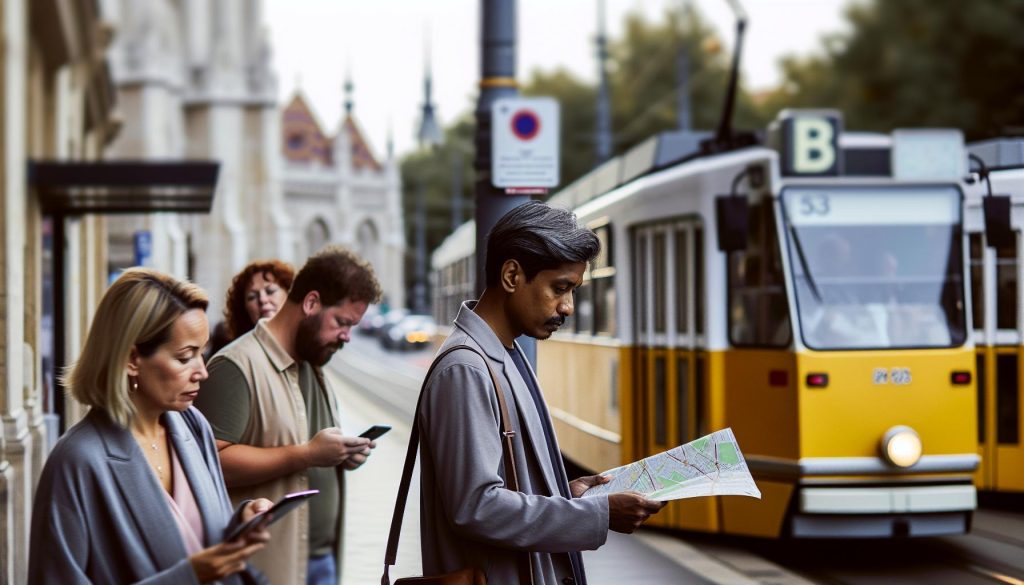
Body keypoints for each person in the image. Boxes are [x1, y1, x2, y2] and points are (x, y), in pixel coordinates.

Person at [418, 202, 666, 584]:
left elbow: (503, 487)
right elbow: (476, 507)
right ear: (513, 275)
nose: (567, 307)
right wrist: (598, 515)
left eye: (572, 291)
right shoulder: (466, 369)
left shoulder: (503, 354)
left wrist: (567, 495)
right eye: (559, 288)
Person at [28, 268, 272, 584]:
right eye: (185, 357)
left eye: (202, 353)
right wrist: (190, 575)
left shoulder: (192, 425)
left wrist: (241, 521)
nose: (202, 372)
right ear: (132, 359)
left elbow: (198, 537)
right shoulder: (76, 461)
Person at [196, 245, 383, 585]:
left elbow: (306, 440)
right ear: (311, 303)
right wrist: (308, 454)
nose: (346, 337)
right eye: (342, 322)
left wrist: (341, 454)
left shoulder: (314, 363)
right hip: (268, 569)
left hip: (321, 561)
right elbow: (210, 465)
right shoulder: (234, 366)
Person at [208, 260, 296, 357]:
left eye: (270, 291)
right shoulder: (236, 356)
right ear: (244, 309)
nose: (262, 299)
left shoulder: (307, 346)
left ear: (290, 295)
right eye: (252, 297)